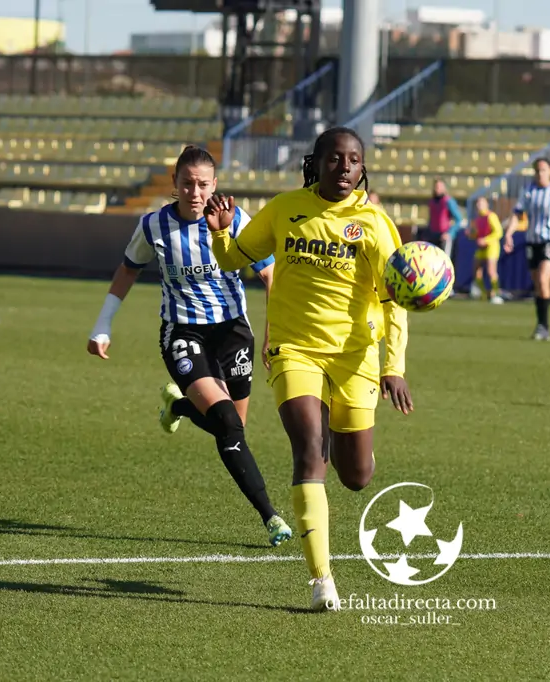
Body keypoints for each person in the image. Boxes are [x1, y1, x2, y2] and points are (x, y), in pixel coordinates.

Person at [206, 126, 412, 611]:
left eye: (354, 160)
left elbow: (395, 301)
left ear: (363, 168)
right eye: (335, 158)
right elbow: (237, 258)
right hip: (294, 349)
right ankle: (322, 580)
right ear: (315, 163)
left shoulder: (377, 225)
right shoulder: (284, 209)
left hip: (356, 356)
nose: (345, 167)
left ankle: (349, 448)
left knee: (356, 476)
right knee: (308, 453)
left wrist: (393, 366)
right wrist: (221, 232)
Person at [86, 145, 293, 547]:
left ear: (214, 185)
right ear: (175, 184)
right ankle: (271, 517)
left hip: (233, 331)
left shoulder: (233, 221)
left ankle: (178, 405)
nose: (194, 193)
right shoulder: (153, 226)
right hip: (183, 333)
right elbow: (127, 271)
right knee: (228, 426)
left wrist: (273, 334)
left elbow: (271, 276)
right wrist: (102, 325)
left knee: (234, 429)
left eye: (202, 184)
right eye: (187, 184)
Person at [502, 157, 550, 341]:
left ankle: (544, 326)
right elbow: (517, 214)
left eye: (543, 170)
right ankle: (541, 325)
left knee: (544, 280)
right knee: (538, 285)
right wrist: (509, 233)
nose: (540, 173)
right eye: (537, 170)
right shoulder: (529, 191)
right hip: (532, 242)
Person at [468, 196, 504, 304]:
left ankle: (496, 293)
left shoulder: (491, 216)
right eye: (478, 203)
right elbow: (476, 234)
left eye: (481, 203)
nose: (479, 205)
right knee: (476, 270)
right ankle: (484, 293)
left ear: (486, 205)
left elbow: (498, 232)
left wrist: (486, 240)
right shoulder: (477, 219)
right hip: (481, 248)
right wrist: (471, 234)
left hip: (492, 246)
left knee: (491, 271)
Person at [421, 178, 464, 259]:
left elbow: (458, 219)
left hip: (444, 237)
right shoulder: (432, 202)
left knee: (444, 260)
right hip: (433, 236)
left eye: (440, 186)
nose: (437, 189)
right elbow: (431, 219)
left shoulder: (448, 201)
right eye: (436, 186)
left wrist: (450, 233)